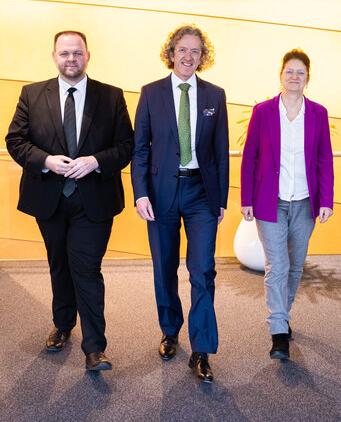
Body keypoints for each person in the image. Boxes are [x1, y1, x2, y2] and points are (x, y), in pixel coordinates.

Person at [6, 31, 134, 370]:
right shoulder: (32, 94)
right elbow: (15, 140)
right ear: (54, 56)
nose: (71, 59)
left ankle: (95, 348)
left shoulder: (111, 96)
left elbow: (126, 145)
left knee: (87, 269)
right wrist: (46, 161)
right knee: (58, 263)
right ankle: (63, 324)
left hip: (94, 199)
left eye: (77, 53)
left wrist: (95, 161)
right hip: (48, 197)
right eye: (64, 53)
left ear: (88, 55)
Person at [131, 25, 229, 383]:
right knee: (165, 267)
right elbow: (140, 148)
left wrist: (220, 199)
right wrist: (140, 192)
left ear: (204, 57)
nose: (189, 56)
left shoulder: (215, 95)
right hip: (160, 196)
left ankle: (202, 349)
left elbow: (219, 152)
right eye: (183, 50)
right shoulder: (150, 93)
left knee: (203, 270)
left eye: (196, 51)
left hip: (202, 195)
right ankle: (170, 329)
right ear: (171, 53)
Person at [240, 49, 334, 360]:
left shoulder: (318, 113)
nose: (294, 77)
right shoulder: (264, 112)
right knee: (277, 266)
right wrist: (246, 199)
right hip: (271, 202)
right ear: (280, 75)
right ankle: (278, 330)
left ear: (308, 78)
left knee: (295, 266)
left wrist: (326, 200)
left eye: (301, 73)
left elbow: (323, 159)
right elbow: (250, 156)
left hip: (306, 202)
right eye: (289, 71)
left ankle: (283, 313)